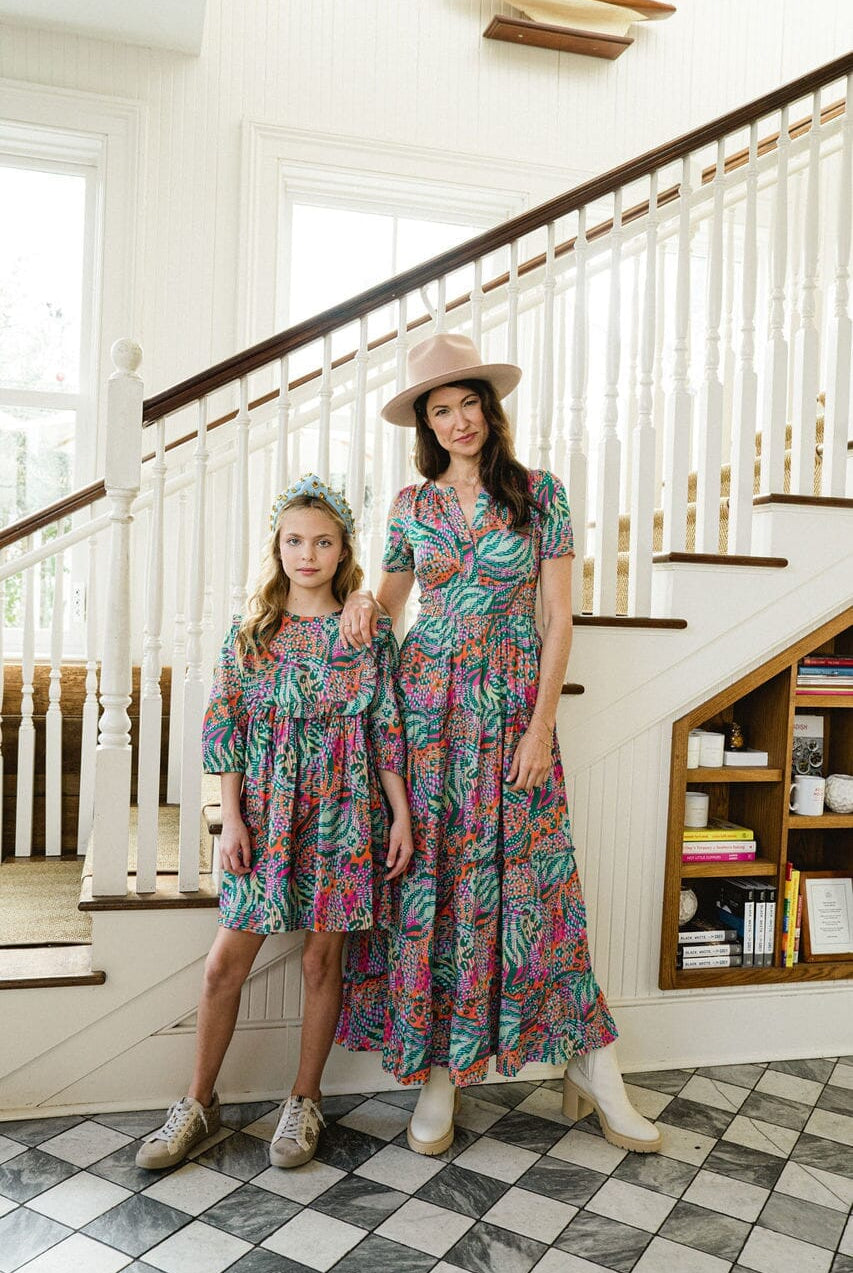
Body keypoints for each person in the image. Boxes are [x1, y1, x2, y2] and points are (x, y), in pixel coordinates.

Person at [337, 334, 661, 1155]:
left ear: (489, 405)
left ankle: (594, 1067)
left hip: (514, 704)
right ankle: (440, 1074)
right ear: (425, 422)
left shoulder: (539, 493)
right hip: (429, 709)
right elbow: (390, 602)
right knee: (435, 887)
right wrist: (354, 605)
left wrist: (542, 723)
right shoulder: (411, 505)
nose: (456, 420)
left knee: (540, 887)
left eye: (466, 402)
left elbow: (557, 618)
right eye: (438, 409)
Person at [136, 475, 412, 1172]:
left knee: (324, 960)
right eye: (294, 540)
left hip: (347, 816)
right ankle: (198, 1101)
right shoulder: (251, 632)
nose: (307, 553)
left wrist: (401, 814)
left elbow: (385, 730)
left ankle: (304, 1098)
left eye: (322, 541)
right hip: (265, 815)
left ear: (344, 548)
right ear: (278, 545)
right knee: (225, 962)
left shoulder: (363, 631)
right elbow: (225, 729)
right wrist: (231, 818)